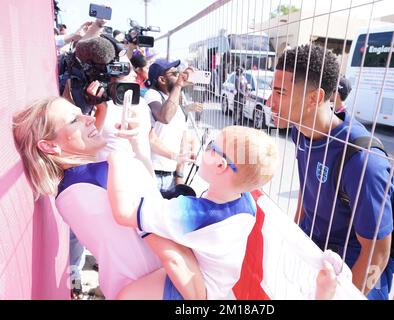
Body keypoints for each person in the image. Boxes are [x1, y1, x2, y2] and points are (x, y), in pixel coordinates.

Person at [107, 125, 344, 300]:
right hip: (219, 290)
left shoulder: (195, 215)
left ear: (221, 165)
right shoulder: (246, 202)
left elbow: (123, 211)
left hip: (196, 290)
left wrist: (116, 157)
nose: (206, 146)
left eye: (211, 145)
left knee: (125, 297)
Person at [12, 97, 206, 300]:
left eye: (82, 112)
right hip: (173, 288)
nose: (88, 118)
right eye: (73, 120)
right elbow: (170, 248)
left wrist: (137, 145)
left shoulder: (69, 190)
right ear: (50, 146)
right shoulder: (108, 173)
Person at [266, 44, 394, 300]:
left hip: (352, 276)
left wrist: (349, 295)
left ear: (314, 98)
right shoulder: (299, 131)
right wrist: (294, 237)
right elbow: (308, 187)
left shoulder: (363, 162)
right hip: (315, 259)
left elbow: (378, 254)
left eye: (280, 92)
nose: (269, 101)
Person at [144, 59, 200, 192]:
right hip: (152, 174)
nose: (179, 75)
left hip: (170, 177)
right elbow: (165, 117)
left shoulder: (175, 102)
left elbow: (182, 140)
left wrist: (179, 176)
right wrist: (178, 85)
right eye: (174, 73)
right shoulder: (152, 95)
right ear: (162, 80)